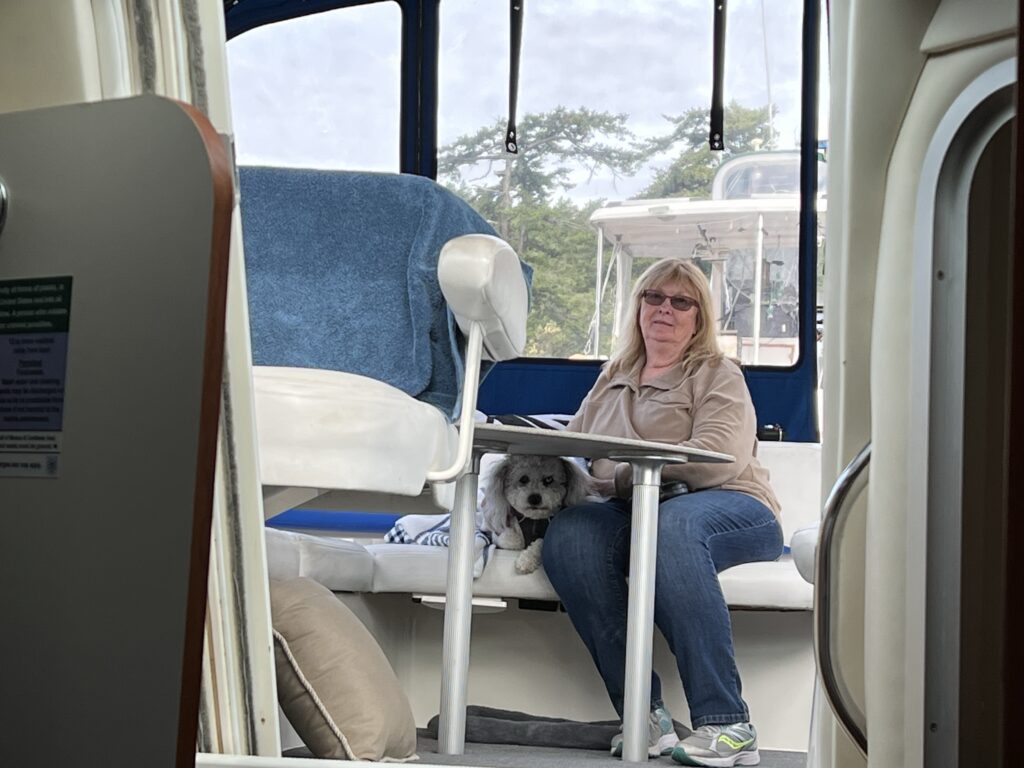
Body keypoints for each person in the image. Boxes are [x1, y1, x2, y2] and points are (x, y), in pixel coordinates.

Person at [543, 257, 782, 767]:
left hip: (734, 505)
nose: (664, 309)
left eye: (681, 302)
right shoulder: (613, 376)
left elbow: (718, 455)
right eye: (654, 297)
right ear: (639, 307)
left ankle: (728, 724)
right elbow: (577, 447)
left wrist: (620, 475)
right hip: (637, 509)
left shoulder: (716, 373)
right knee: (571, 534)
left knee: (671, 527)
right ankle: (645, 715)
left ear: (699, 318)